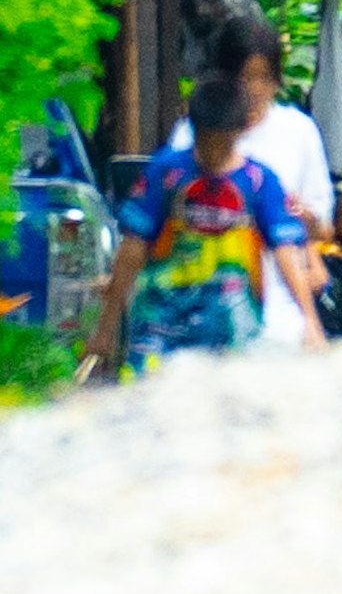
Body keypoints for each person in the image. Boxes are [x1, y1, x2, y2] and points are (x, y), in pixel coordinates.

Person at [94, 69, 314, 371]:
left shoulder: (260, 182)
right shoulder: (165, 173)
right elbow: (133, 248)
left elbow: (287, 252)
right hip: (160, 322)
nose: (212, 152)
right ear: (192, 128)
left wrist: (311, 323)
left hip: (232, 327)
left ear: (241, 130)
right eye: (204, 141)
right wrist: (104, 329)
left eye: (221, 143)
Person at [231, 19, 342, 344]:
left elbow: (322, 228)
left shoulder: (297, 131)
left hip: (281, 306)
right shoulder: (195, 134)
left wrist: (302, 217)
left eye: (262, 78)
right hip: (210, 297)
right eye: (243, 78)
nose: (253, 89)